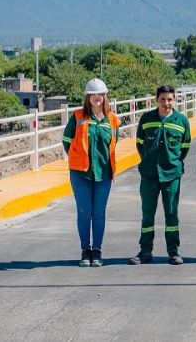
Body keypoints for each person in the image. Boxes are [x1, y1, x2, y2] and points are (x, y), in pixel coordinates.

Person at [129, 85, 192, 266]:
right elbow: (140, 143)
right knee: (147, 214)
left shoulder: (181, 121)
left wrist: (172, 162)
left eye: (170, 99)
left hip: (171, 175)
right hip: (149, 175)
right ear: (156, 100)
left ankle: (173, 252)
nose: (166, 103)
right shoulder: (147, 119)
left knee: (171, 214)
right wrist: (149, 160)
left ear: (175, 100)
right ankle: (145, 251)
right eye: (162, 99)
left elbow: (185, 147)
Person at [63, 78, 120, 267]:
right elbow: (67, 141)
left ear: (105, 97)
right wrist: (79, 159)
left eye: (101, 95)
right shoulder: (78, 116)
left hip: (103, 173)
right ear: (88, 97)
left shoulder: (111, 119)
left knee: (99, 213)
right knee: (84, 212)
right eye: (94, 95)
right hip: (80, 174)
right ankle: (85, 249)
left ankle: (97, 250)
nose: (98, 98)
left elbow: (113, 142)